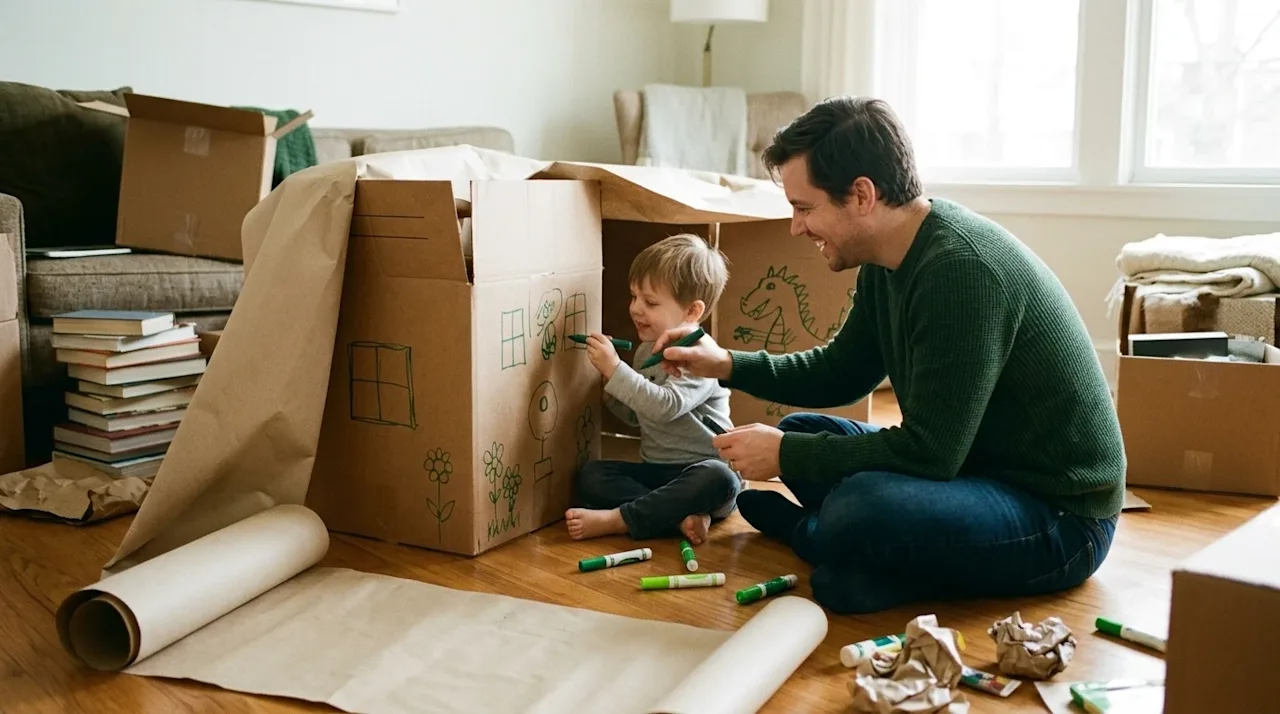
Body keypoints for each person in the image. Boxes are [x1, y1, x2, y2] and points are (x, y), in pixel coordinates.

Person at [651, 96, 1126, 614]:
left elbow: (931, 454)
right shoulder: (889, 258)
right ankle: (844, 542)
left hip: (1060, 516)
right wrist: (725, 364)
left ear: (861, 195)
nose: (795, 227)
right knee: (806, 429)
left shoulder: (961, 271)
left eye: (804, 208)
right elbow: (840, 373)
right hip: (975, 468)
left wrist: (784, 456)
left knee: (859, 505)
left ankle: (822, 537)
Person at [565, 234, 741, 546]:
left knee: (720, 477)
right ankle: (677, 517)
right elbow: (637, 417)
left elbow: (666, 406)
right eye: (634, 297)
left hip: (700, 474)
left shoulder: (699, 356)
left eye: (650, 302)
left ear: (691, 311)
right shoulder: (647, 352)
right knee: (591, 475)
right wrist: (609, 386)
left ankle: (621, 519)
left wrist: (615, 371)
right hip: (658, 474)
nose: (635, 309)